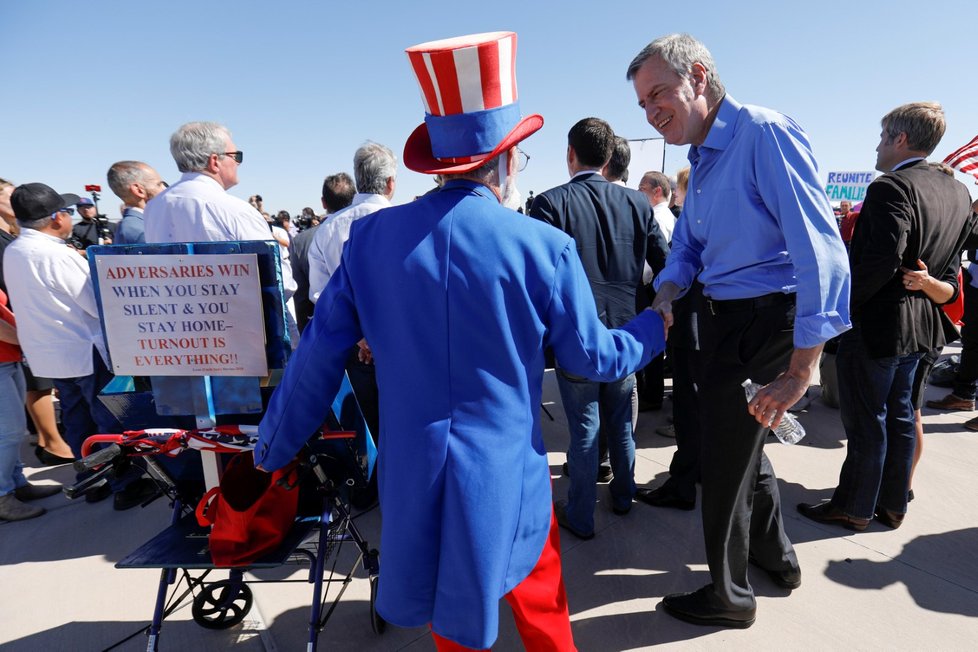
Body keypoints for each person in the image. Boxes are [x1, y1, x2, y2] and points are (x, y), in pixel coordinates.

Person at [256, 31, 665, 651]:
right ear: (503, 160)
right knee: (545, 615)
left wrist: (270, 449)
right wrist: (655, 324)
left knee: (452, 627)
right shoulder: (540, 246)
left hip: (414, 475)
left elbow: (316, 355)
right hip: (510, 480)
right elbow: (593, 357)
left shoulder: (370, 243)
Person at [628, 33, 851, 628]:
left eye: (658, 94)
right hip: (725, 322)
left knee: (723, 460)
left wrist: (803, 367)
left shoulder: (763, 132)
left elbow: (820, 249)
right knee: (743, 446)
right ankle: (777, 557)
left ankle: (728, 596)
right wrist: (670, 288)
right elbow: (690, 244)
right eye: (643, 105)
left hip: (769, 322)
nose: (651, 113)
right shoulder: (700, 160)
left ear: (698, 76)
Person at [799, 103, 975, 532]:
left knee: (866, 421)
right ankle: (893, 503)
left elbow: (878, 262)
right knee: (898, 415)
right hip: (924, 329)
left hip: (880, 327)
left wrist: (841, 309)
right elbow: (950, 274)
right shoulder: (957, 192)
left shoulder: (890, 187)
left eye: (881, 137)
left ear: (900, 139)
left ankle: (855, 507)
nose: (876, 147)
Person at [530, 117, 668, 539]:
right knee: (620, 424)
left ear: (571, 155)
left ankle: (581, 515)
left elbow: (539, 279)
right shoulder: (637, 203)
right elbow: (665, 264)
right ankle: (624, 496)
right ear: (609, 157)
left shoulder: (550, 203)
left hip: (577, 339)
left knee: (585, 430)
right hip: (626, 335)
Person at [4, 183, 156, 509]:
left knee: (76, 420)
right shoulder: (57, 254)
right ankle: (125, 486)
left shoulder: (14, 250)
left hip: (49, 352)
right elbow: (95, 303)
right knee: (107, 422)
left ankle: (92, 480)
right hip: (83, 348)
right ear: (57, 218)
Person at [0, 178, 73, 466]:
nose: (17, 202)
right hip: (18, 330)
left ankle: (46, 446)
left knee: (25, 408)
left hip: (21, 329)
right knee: (36, 390)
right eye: (10, 196)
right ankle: (51, 444)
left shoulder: (13, 239)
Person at [306, 142, 396, 304]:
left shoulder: (327, 229)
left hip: (343, 325)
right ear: (390, 183)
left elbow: (320, 294)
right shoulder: (404, 225)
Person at [290, 172, 355, 332]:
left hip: (325, 332)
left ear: (323, 203)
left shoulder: (301, 241)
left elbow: (301, 296)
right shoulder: (368, 229)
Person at [106, 160, 167, 245]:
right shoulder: (140, 230)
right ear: (138, 190)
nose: (165, 189)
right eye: (159, 184)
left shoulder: (135, 225)